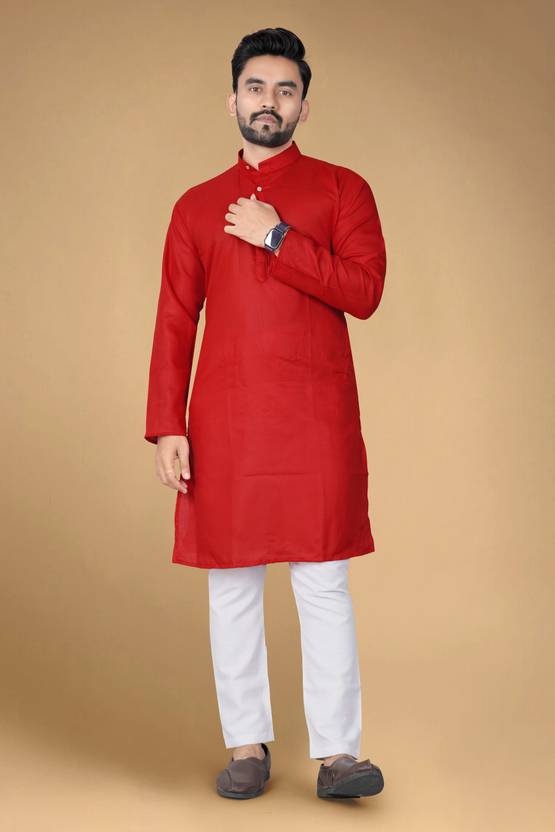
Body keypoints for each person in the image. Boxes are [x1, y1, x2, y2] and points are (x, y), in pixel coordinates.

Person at [144, 27, 387, 800]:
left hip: (315, 417)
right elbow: (174, 318)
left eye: (285, 90)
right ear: (232, 101)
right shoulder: (195, 206)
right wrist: (168, 424)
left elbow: (364, 293)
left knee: (322, 580)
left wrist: (277, 235)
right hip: (226, 421)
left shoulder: (342, 190)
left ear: (303, 107)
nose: (269, 102)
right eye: (256, 87)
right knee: (232, 581)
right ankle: (245, 747)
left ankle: (339, 755)